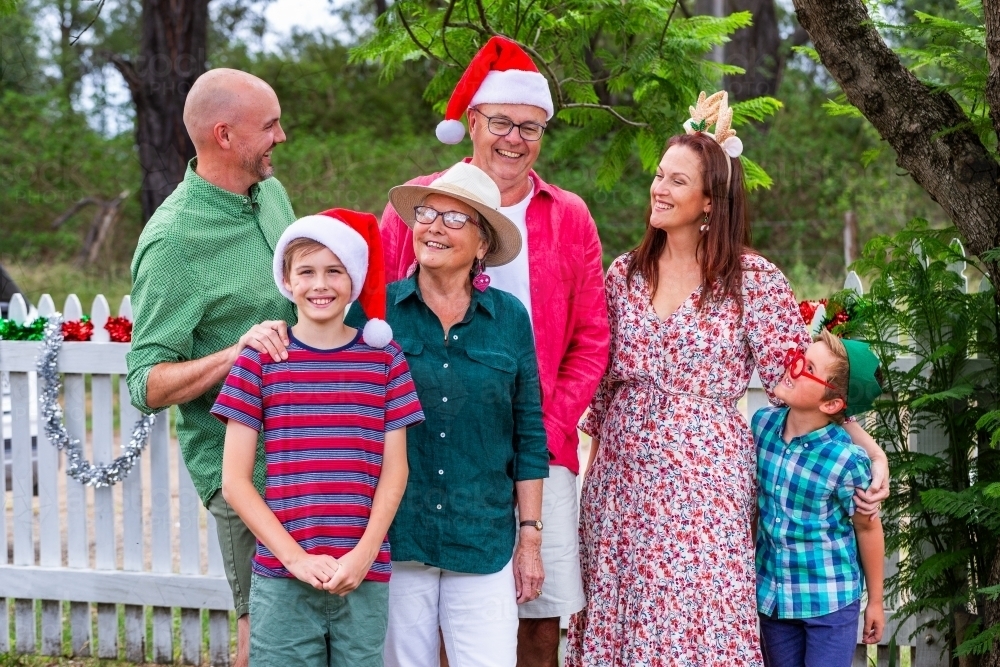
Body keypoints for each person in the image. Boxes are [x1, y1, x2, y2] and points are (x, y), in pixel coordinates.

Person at [566, 91, 891, 667]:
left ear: (710, 202)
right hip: (620, 479)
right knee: (623, 614)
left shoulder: (753, 280)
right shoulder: (623, 274)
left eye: (677, 181)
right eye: (659, 175)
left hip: (705, 485)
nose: (659, 189)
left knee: (697, 622)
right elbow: (599, 381)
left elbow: (804, 380)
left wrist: (872, 451)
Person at [380, 36, 609, 666]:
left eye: (531, 127)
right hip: (428, 439)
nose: (515, 139)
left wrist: (548, 426)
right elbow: (378, 316)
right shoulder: (420, 209)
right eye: (502, 122)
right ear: (473, 123)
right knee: (431, 597)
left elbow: (592, 335)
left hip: (541, 442)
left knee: (537, 604)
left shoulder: (568, 215)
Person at [126, 68, 301, 667]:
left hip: (314, 444)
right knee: (267, 630)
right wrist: (236, 354)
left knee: (322, 617)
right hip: (245, 471)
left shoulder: (271, 194)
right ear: (224, 135)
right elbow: (145, 383)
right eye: (270, 125)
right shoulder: (173, 240)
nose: (283, 136)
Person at [347, 162, 549, 667]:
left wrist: (529, 536)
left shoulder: (508, 319)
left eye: (455, 219)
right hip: (398, 532)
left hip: (482, 536)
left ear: (482, 246)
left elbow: (528, 432)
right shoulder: (375, 312)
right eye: (427, 213)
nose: (434, 226)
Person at [212, 210, 425, 666]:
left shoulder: (384, 359)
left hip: (362, 574)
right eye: (306, 271)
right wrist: (295, 559)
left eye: (334, 271)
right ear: (287, 281)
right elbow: (234, 481)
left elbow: (396, 470)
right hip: (282, 576)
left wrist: (365, 554)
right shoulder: (261, 360)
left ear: (354, 279)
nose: (320, 284)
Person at [754, 330, 885, 666]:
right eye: (798, 357)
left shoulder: (846, 461)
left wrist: (875, 601)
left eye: (806, 366)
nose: (792, 366)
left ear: (831, 404)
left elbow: (867, 529)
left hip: (829, 601)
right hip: (773, 598)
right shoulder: (762, 427)